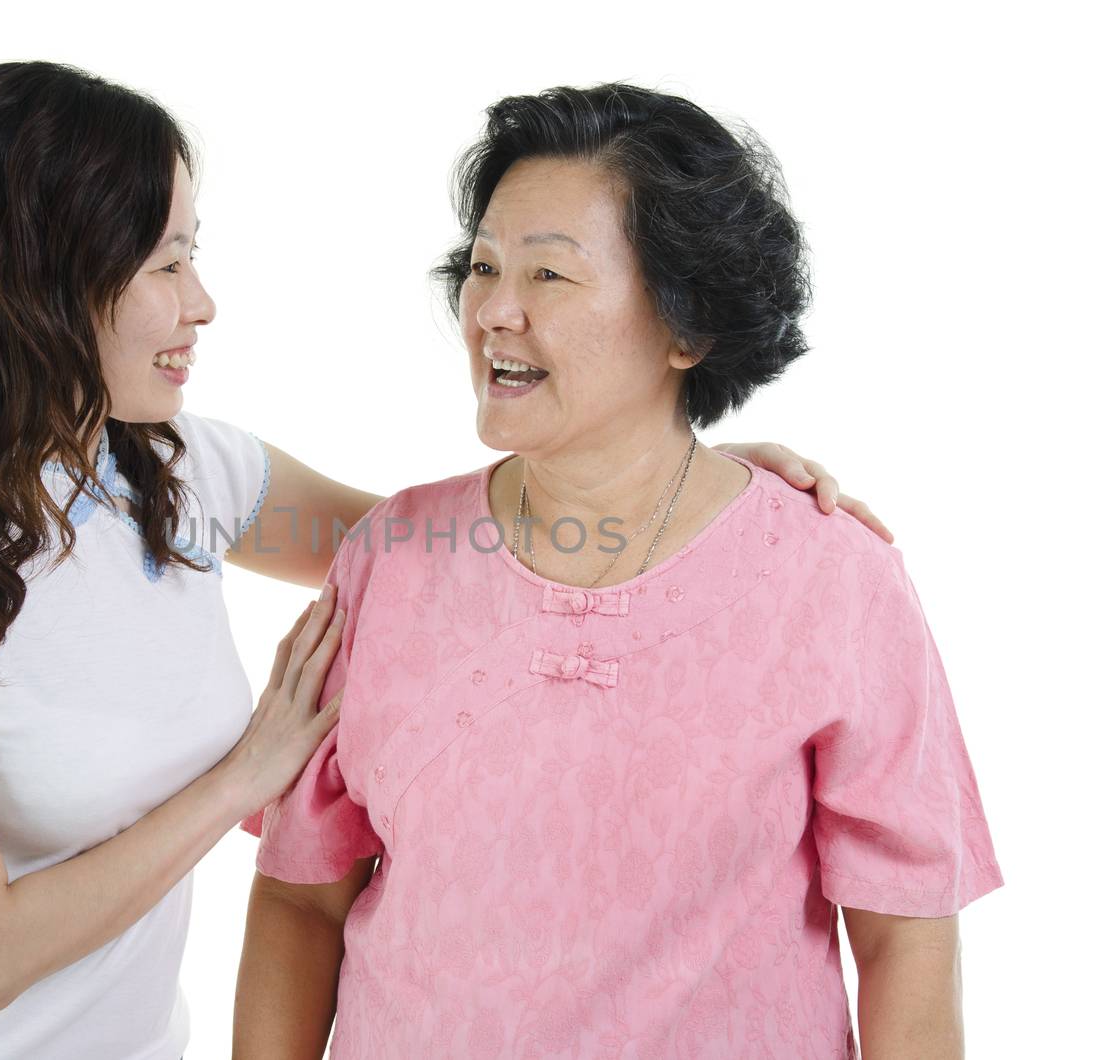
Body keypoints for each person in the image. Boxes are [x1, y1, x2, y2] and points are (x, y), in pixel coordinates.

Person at [0, 63, 888, 1060]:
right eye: (163, 261)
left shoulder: (181, 476)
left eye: (192, 251)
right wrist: (246, 777)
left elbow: (448, 551)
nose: (200, 302)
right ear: (36, 286)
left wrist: (671, 470)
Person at [235, 83, 1001, 1059]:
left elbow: (903, 939)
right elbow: (302, 900)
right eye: (483, 268)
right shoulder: (391, 555)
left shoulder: (830, 576)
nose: (494, 312)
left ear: (687, 328)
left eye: (549, 276)